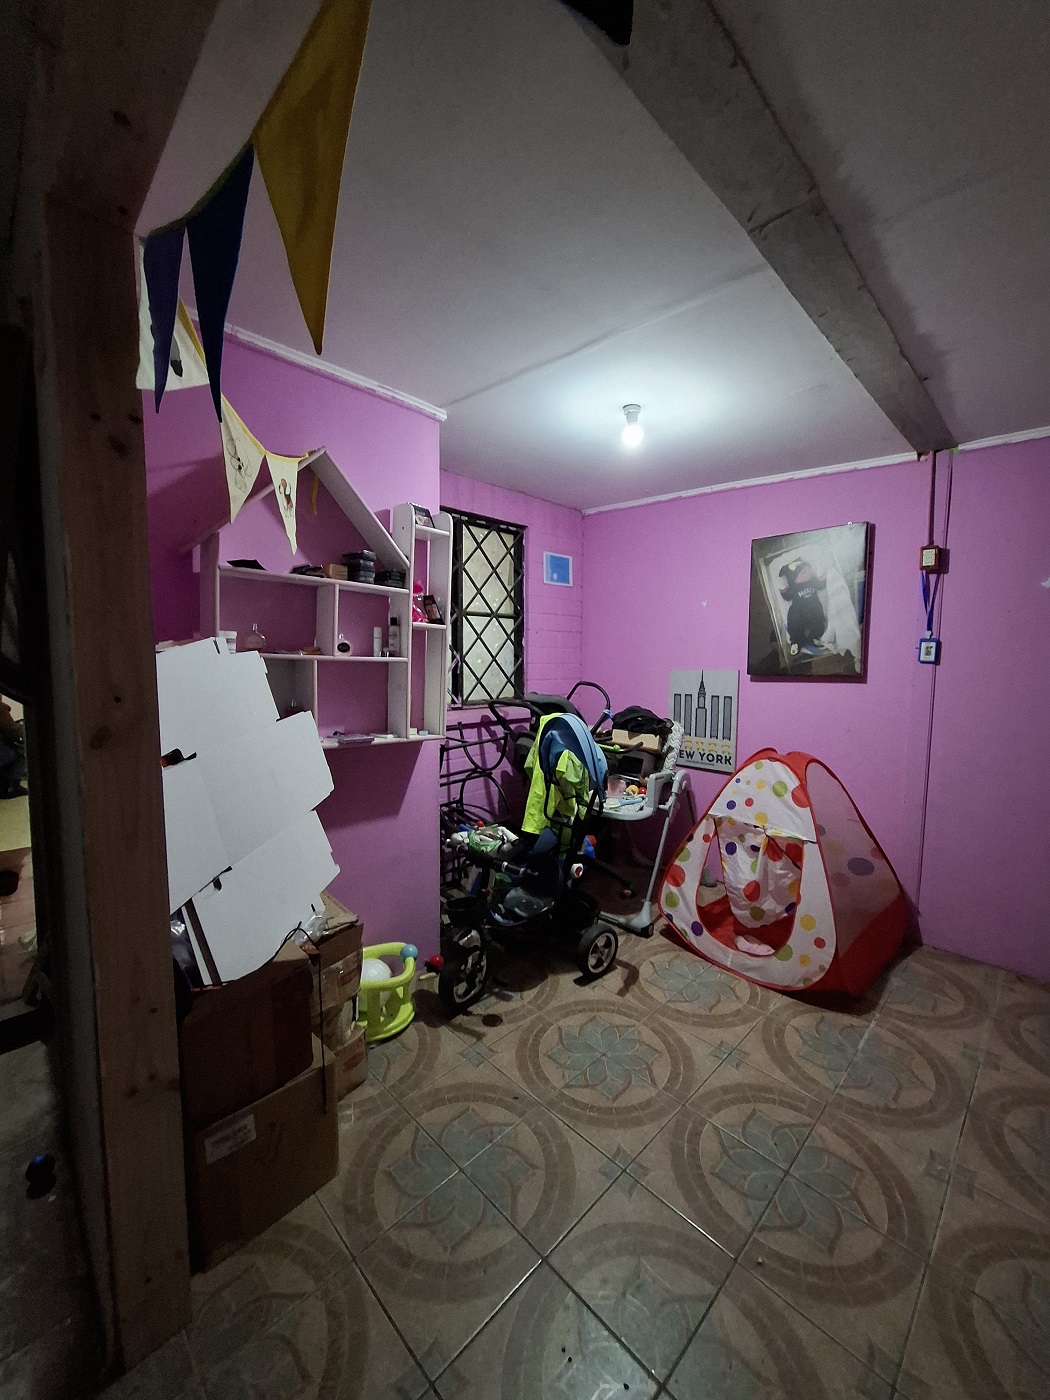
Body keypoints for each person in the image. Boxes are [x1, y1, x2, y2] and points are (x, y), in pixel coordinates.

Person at [0, 700, 27, 799]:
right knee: (20, 751)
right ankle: (13, 787)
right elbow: (12, 730)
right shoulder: (1, 708)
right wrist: (22, 727)